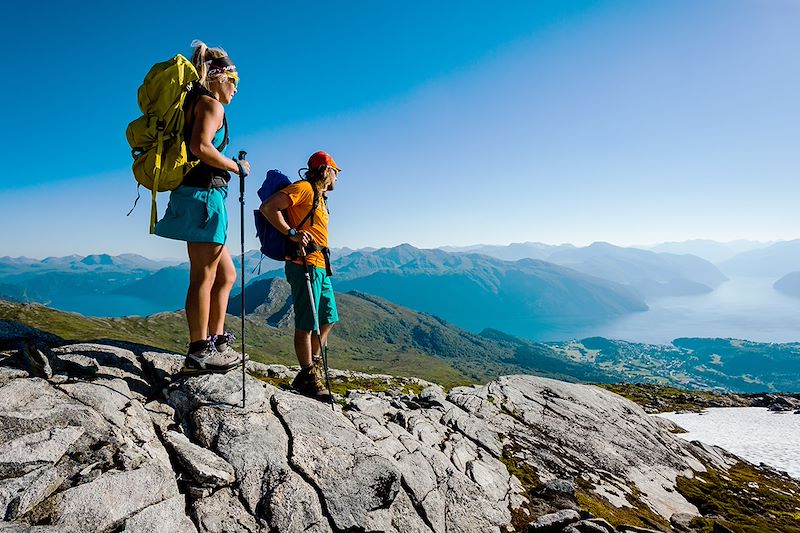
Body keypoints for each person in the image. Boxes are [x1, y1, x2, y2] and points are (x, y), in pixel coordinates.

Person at [153, 40, 250, 373]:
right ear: (220, 77)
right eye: (234, 81)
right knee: (203, 277)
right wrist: (235, 167)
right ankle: (198, 352)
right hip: (205, 198)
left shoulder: (195, 102)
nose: (236, 89)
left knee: (226, 274)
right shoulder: (211, 105)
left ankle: (217, 339)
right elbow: (199, 147)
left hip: (198, 197)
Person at [260, 151, 340, 400]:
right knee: (307, 323)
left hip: (319, 265)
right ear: (326, 171)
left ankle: (312, 364)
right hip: (304, 263)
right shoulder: (304, 188)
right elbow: (268, 207)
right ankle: (307, 375)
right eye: (335, 172)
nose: (337, 177)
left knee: (329, 317)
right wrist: (291, 232)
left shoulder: (319, 197)